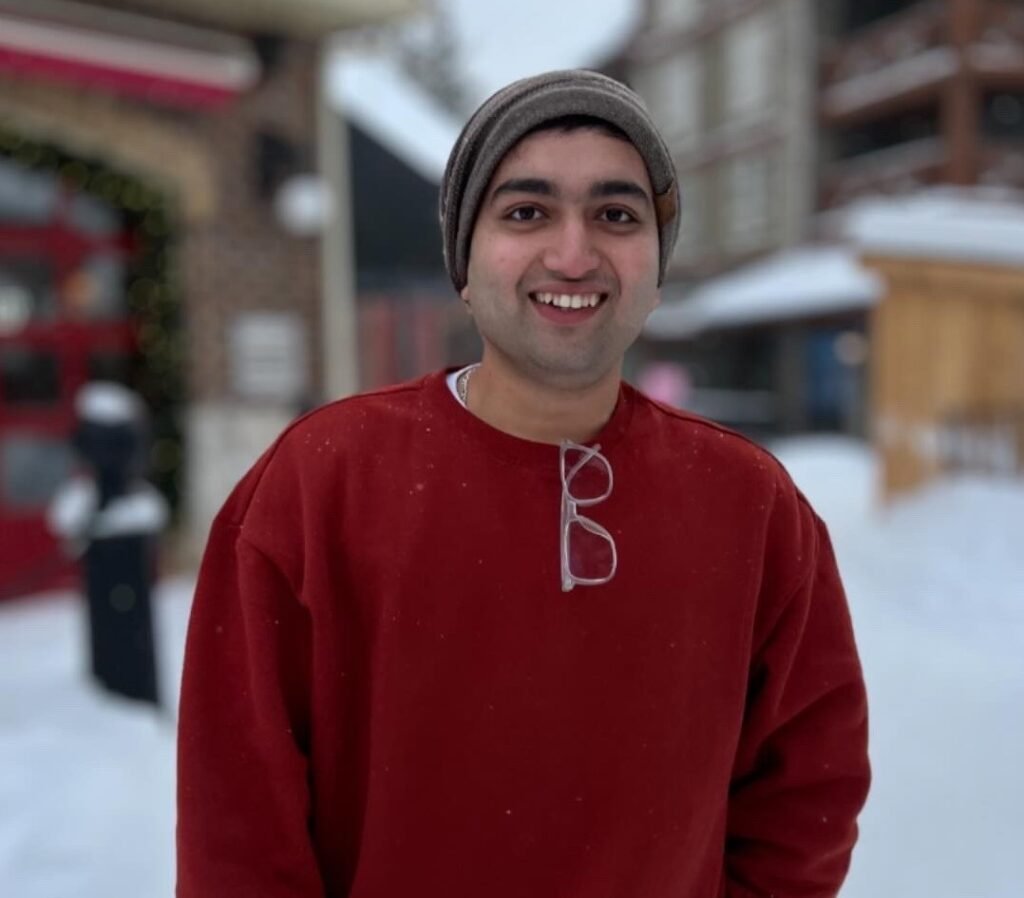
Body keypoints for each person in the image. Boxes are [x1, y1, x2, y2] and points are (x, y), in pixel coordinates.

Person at [177, 70, 870, 897]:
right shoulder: (319, 482)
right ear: (464, 263)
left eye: (616, 214)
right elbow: (238, 827)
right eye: (526, 212)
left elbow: (807, 799)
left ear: (656, 263)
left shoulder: (752, 507)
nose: (572, 253)